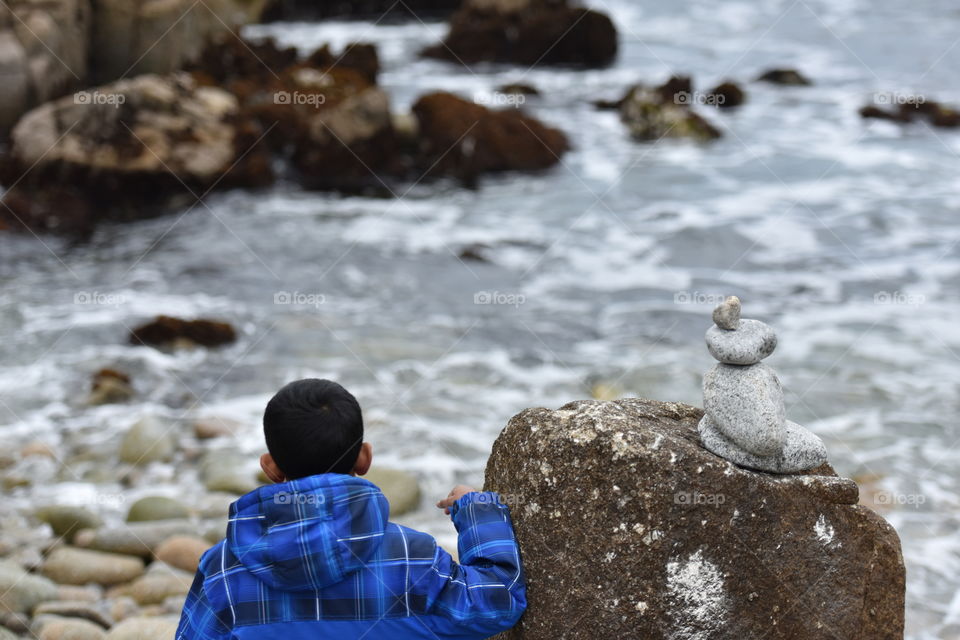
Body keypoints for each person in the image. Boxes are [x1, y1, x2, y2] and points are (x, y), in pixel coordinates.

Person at [176, 378, 526, 639]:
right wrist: (477, 509)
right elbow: (499, 602)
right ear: (364, 458)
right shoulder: (413, 558)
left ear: (271, 467)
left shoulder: (222, 570)